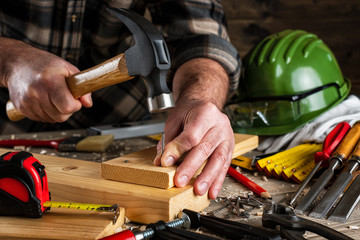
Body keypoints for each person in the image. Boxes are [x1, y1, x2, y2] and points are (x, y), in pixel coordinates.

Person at [0, 0, 240, 200]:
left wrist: (198, 99)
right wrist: (10, 60)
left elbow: (201, 35)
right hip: (7, 125)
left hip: (120, 133)